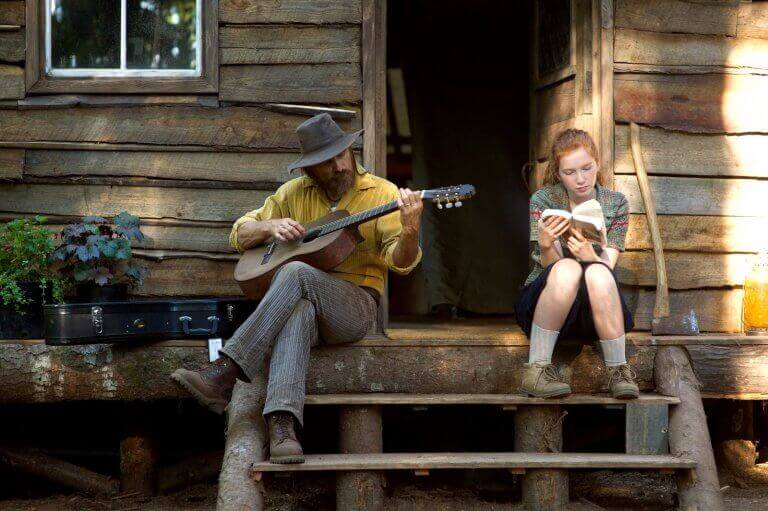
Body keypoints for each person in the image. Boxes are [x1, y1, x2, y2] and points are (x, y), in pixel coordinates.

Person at [171, 113, 423, 463]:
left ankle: (226, 370)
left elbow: (401, 261)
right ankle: (282, 425)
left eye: (342, 155)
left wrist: (410, 232)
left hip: (355, 306)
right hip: (303, 302)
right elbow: (239, 233)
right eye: (326, 162)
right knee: (298, 310)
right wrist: (269, 227)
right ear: (308, 169)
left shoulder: (382, 193)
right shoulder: (292, 194)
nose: (338, 166)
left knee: (295, 272)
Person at [515, 129, 639, 399]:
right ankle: (536, 371)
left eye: (586, 168)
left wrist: (589, 256)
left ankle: (618, 370)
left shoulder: (616, 203)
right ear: (558, 174)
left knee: (596, 271)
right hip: (546, 305)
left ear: (597, 163)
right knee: (568, 268)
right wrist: (547, 244)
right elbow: (551, 269)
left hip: (595, 309)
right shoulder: (544, 200)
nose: (581, 179)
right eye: (570, 172)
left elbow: (609, 263)